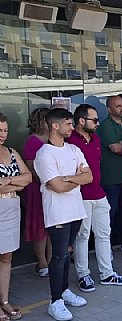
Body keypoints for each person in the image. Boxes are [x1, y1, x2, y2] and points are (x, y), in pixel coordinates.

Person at [67, 104, 122, 292]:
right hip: (80, 195)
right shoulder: (70, 141)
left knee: (104, 234)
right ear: (81, 121)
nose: (97, 123)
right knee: (83, 236)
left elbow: (97, 164)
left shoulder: (96, 138)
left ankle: (107, 273)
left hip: (99, 192)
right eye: (94, 120)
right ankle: (83, 275)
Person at [34, 108, 91, 321]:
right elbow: (56, 186)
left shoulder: (74, 150)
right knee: (58, 256)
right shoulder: (44, 153)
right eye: (68, 124)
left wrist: (67, 178)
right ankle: (55, 300)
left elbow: (89, 177)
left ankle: (65, 290)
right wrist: (74, 178)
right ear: (55, 126)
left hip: (76, 209)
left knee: (67, 252)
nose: (72, 127)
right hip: (57, 213)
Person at [0, 112, 32, 321]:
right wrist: (18, 183)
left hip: (11, 207)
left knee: (7, 257)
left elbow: (28, 177)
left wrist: (8, 180)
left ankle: (4, 300)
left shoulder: (11, 151)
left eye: (5, 130)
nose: (2, 134)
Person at [96, 95, 122, 251]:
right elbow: (115, 148)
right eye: (118, 106)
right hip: (111, 178)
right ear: (109, 109)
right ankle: (106, 247)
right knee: (110, 214)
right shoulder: (104, 126)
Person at [22, 107, 51, 278]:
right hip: (37, 188)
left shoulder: (50, 140)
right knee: (40, 226)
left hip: (52, 188)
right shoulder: (33, 141)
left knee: (52, 225)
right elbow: (32, 168)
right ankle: (42, 262)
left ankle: (51, 259)